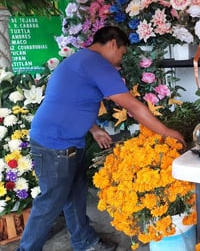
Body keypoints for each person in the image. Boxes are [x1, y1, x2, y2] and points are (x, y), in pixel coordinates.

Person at [18, 26, 185, 251]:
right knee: (50, 203)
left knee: (75, 195)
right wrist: (167, 132)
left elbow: (73, 101)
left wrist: (94, 129)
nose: (120, 61)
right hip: (54, 143)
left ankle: (84, 242)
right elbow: (134, 107)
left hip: (66, 141)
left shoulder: (81, 60)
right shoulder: (96, 63)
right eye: (122, 54)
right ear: (113, 43)